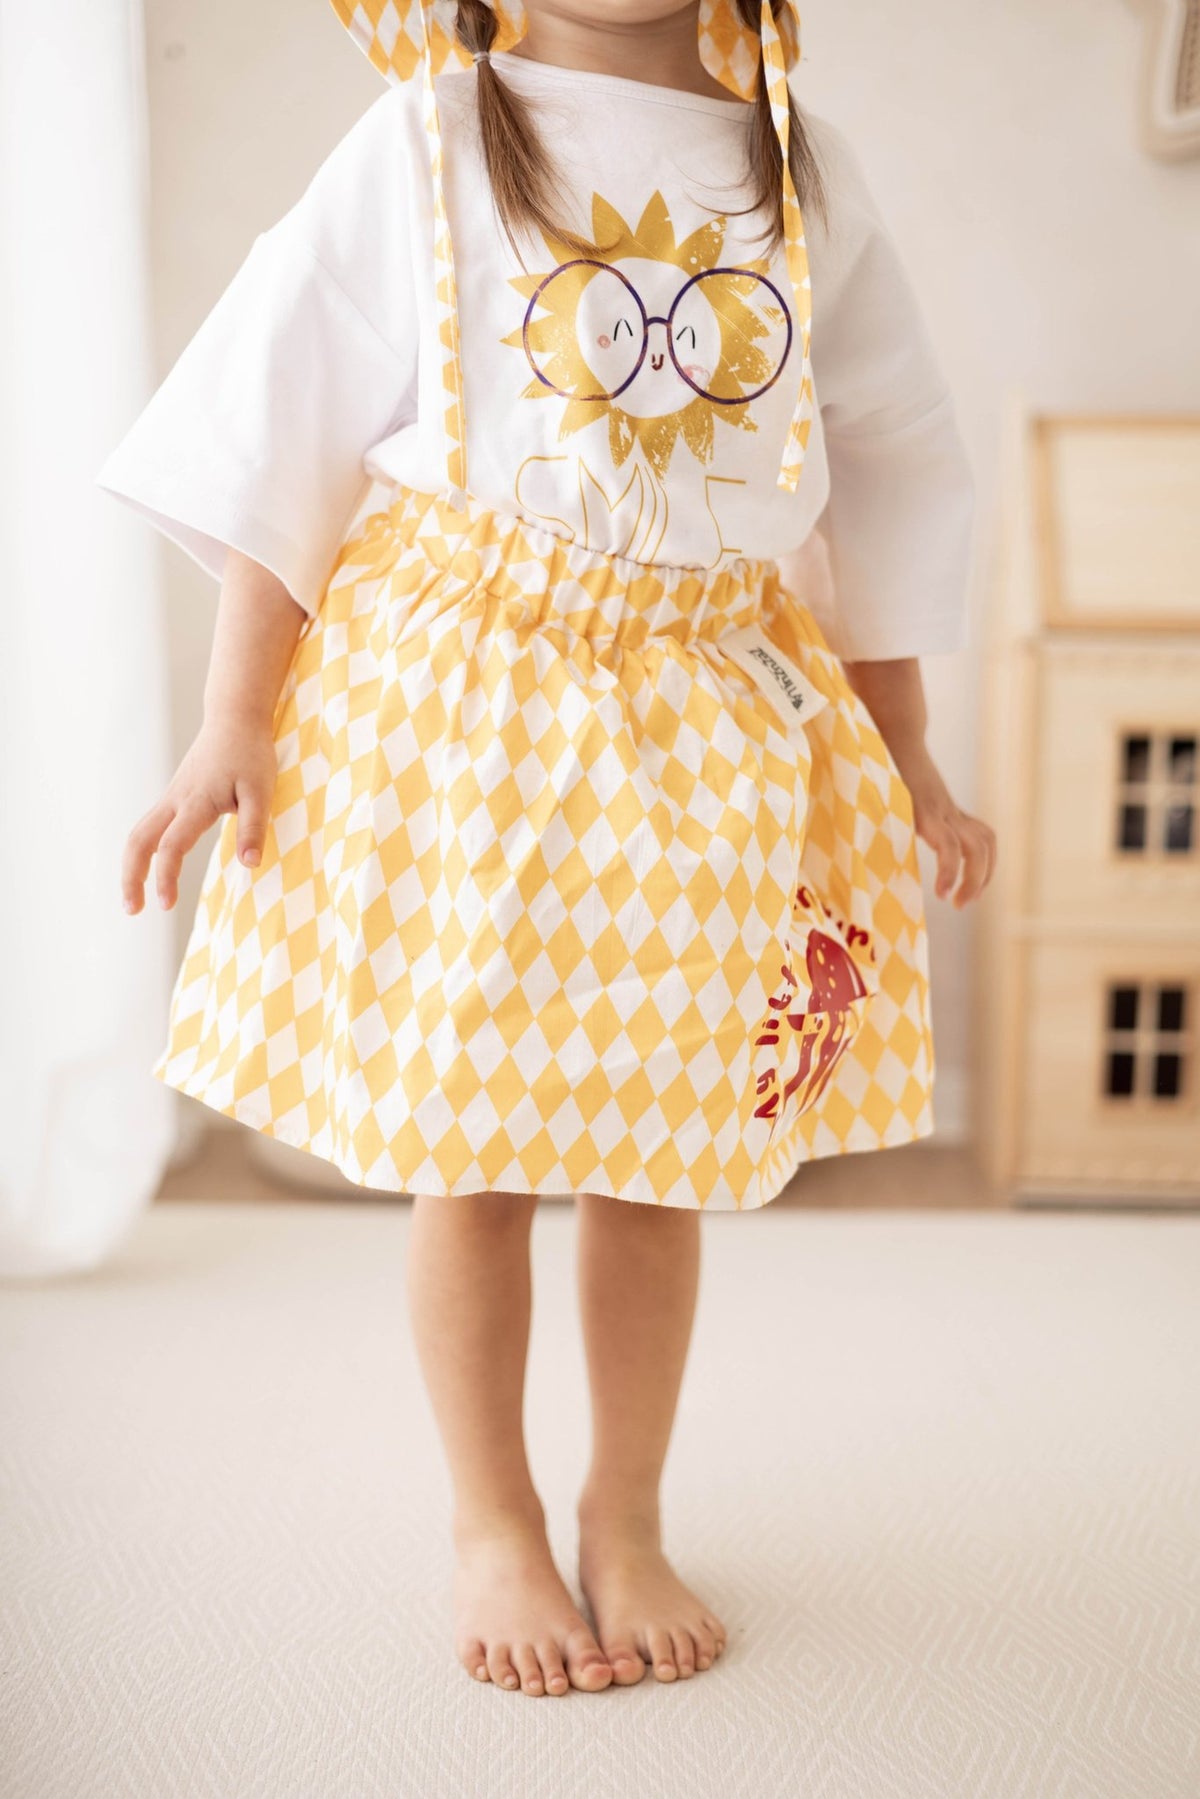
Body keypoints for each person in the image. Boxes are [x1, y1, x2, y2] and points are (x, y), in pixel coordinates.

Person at [98, 0, 996, 1698]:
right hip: (471, 706)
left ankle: (627, 1505)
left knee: (656, 1152)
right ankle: (492, 1515)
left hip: (706, 718)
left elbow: (889, 470)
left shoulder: (796, 167)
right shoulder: (429, 140)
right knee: (480, 1145)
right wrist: (236, 716)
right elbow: (279, 425)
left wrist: (912, 752)